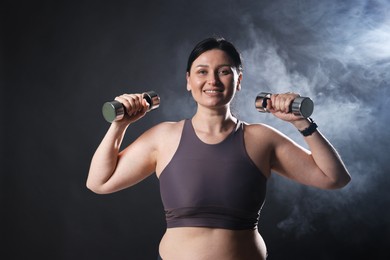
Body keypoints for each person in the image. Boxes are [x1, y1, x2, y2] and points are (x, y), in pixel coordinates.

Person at [86, 37, 351, 260]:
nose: (212, 80)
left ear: (238, 81)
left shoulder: (261, 139)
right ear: (188, 80)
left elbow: (334, 178)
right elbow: (99, 182)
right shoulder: (164, 137)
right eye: (202, 71)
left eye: (224, 71)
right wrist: (120, 126)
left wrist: (301, 123)